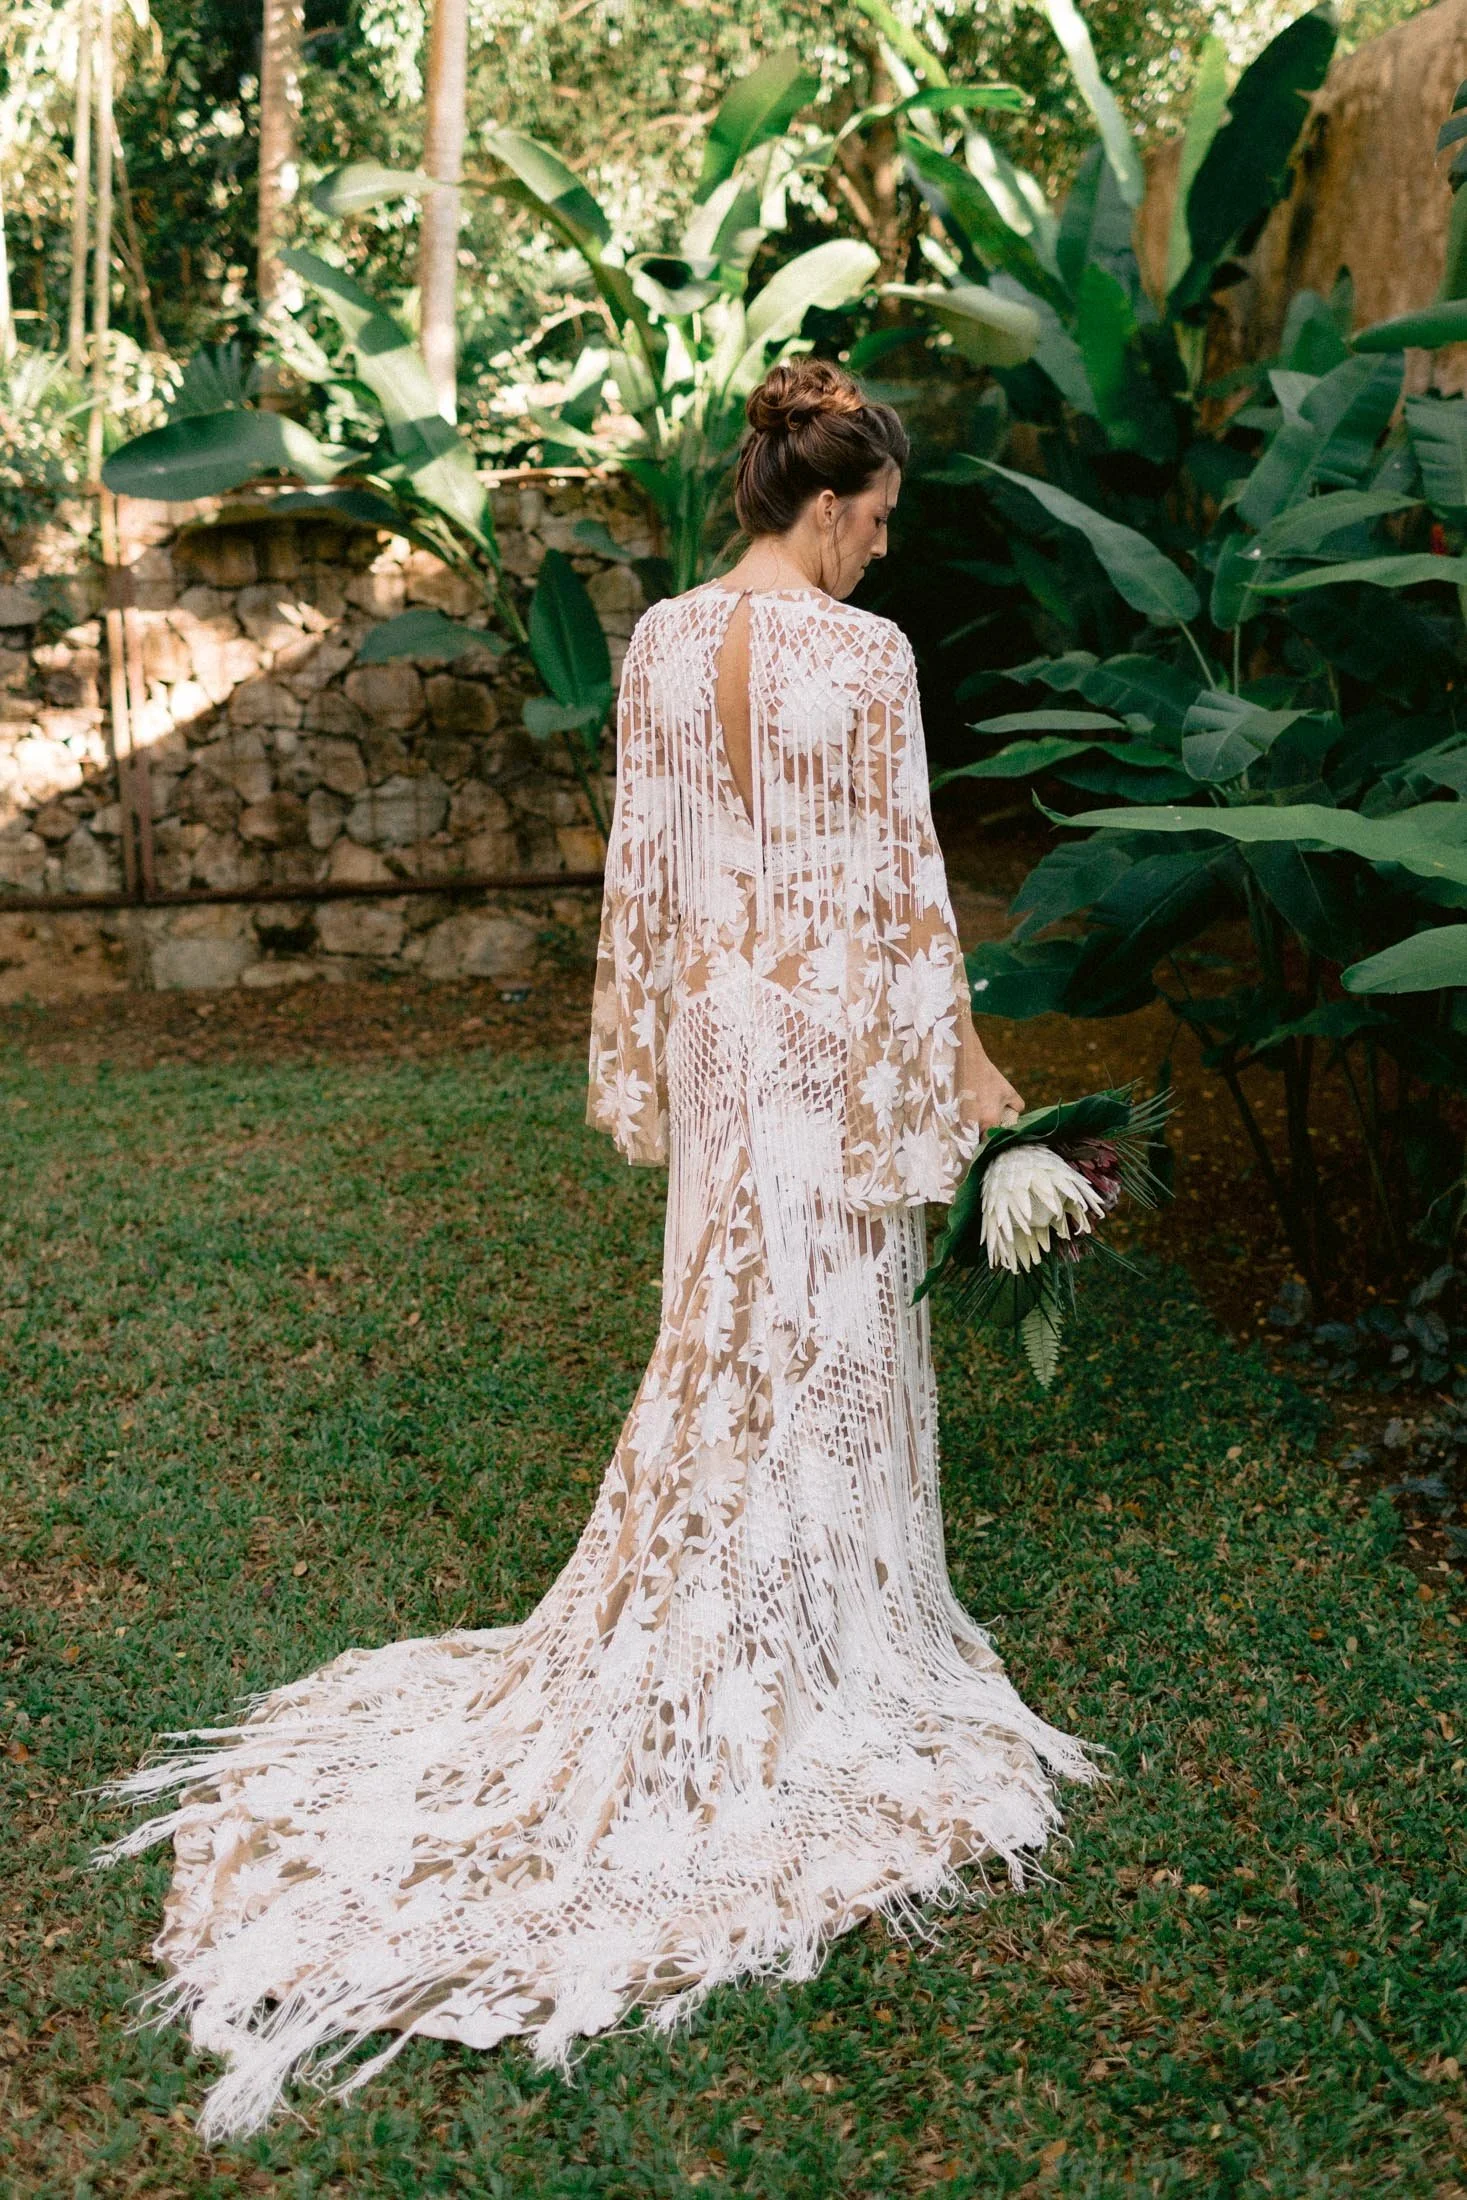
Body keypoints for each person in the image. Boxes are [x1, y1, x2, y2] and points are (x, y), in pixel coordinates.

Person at [95, 357, 1108, 2142]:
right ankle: (805, 1622)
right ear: (827, 505)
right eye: (880, 518)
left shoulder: (657, 643)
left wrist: (653, 1040)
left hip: (723, 1034)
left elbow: (645, 871)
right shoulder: (863, 659)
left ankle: (739, 1560)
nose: (885, 548)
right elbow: (900, 884)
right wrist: (967, 1079)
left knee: (730, 1314)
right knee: (820, 1326)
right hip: (820, 1034)